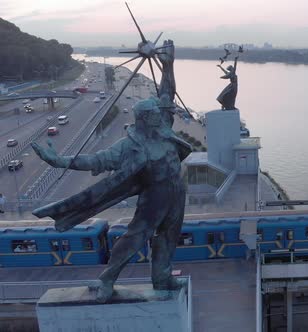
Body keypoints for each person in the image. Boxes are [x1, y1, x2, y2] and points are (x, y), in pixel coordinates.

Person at [30, 40, 192, 304]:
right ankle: (108, 278)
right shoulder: (130, 145)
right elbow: (97, 160)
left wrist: (168, 65)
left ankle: (162, 278)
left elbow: (167, 93)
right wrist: (61, 161)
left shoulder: (163, 127)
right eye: (153, 113)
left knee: (169, 236)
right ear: (144, 118)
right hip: (155, 196)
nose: (160, 113)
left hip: (177, 191)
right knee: (135, 238)